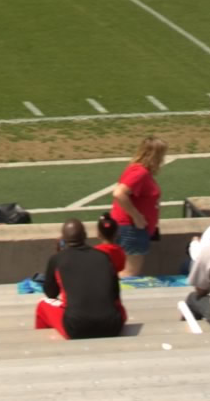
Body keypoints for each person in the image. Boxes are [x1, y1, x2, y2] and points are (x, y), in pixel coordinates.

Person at [35, 219, 126, 339]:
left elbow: (51, 293)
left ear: (63, 239)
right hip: (113, 326)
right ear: (85, 235)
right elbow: (115, 295)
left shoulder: (57, 259)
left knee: (42, 305)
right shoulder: (104, 257)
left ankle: (40, 340)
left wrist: (59, 254)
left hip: (76, 328)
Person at [106, 135, 166, 278]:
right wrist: (137, 217)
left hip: (131, 228)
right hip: (132, 229)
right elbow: (119, 193)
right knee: (131, 273)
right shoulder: (140, 173)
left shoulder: (138, 170)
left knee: (126, 269)